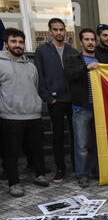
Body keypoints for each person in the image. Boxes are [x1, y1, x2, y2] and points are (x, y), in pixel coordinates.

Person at [0, 28, 49, 197]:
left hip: (33, 115)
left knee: (36, 149)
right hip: (10, 116)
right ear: (6, 43)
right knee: (11, 153)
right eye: (14, 41)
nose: (18, 45)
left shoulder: (31, 66)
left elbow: (34, 88)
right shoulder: (0, 63)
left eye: (21, 42)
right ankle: (14, 183)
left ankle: (40, 175)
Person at [34, 18, 78, 183]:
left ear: (65, 31)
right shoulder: (42, 51)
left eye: (61, 29)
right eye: (55, 29)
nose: (59, 32)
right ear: (50, 31)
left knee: (75, 135)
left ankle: (76, 166)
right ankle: (60, 169)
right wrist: (48, 98)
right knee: (58, 136)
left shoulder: (72, 51)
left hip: (72, 100)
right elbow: (39, 76)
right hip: (55, 101)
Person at [64, 28, 100, 188]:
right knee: (82, 144)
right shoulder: (74, 59)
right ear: (81, 41)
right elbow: (70, 75)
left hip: (99, 108)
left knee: (99, 142)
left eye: (92, 39)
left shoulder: (101, 59)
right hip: (81, 108)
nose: (90, 42)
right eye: (87, 39)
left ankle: (96, 170)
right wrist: (86, 68)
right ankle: (82, 174)